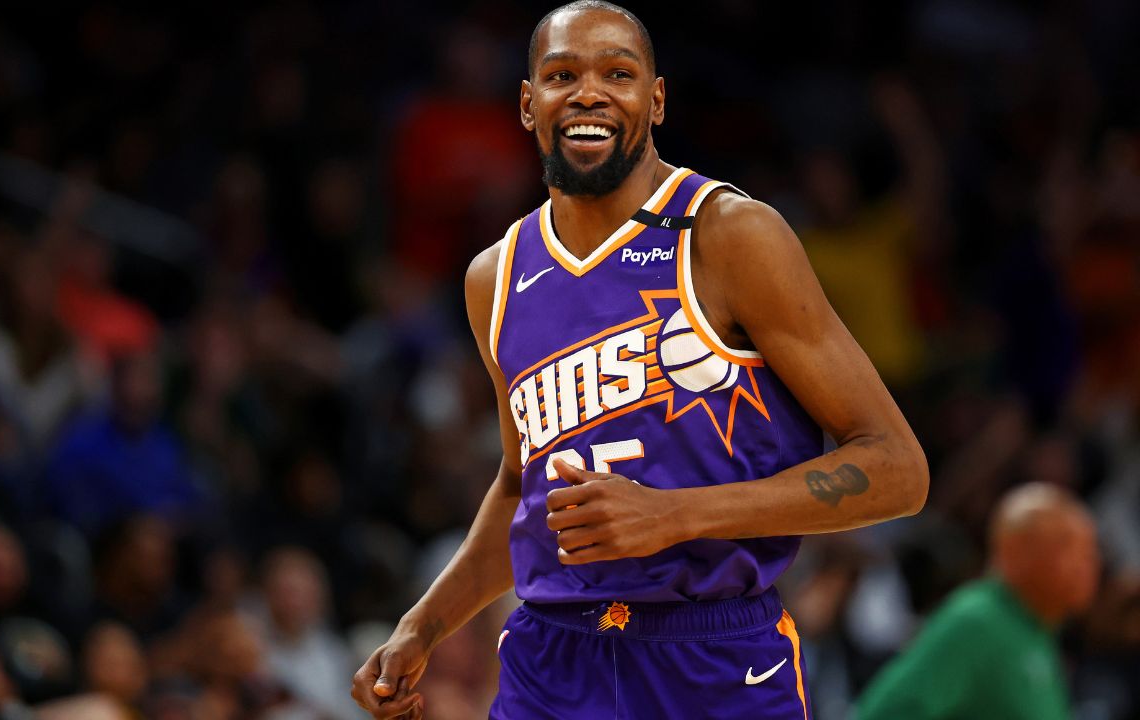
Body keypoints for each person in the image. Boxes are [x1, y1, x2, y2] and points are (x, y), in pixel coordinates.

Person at [352, 2, 929, 718]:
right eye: (563, 74)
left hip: (715, 654)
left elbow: (897, 469)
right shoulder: (492, 278)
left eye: (617, 73)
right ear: (530, 106)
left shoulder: (728, 235)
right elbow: (520, 487)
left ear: (655, 101)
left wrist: (675, 516)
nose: (588, 91)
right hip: (551, 659)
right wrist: (422, 625)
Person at [855, 483, 1099, 719]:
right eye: (1067, 548)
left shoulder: (1037, 627)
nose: (1086, 567)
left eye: (1089, 553)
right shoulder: (978, 621)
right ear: (1015, 552)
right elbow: (884, 712)